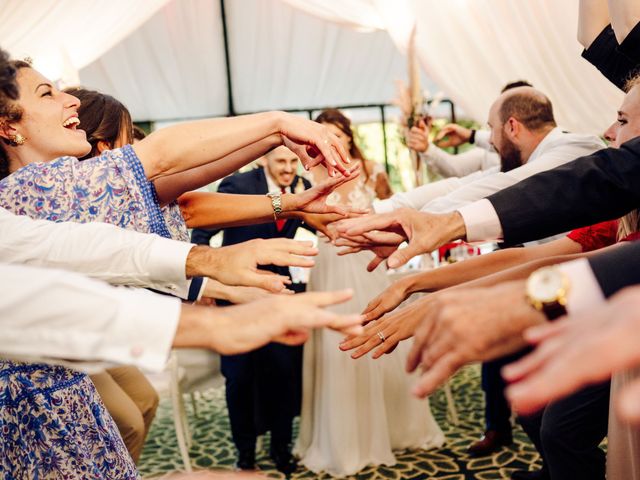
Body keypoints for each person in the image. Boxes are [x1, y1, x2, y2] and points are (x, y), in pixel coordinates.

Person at [0, 59, 350, 478]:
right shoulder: (23, 192)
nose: (69, 97)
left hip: (67, 395)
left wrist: (278, 152)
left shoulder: (47, 189)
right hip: (34, 417)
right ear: (8, 126)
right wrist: (279, 125)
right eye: (47, 93)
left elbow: (162, 193)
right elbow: (163, 162)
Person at [294, 109, 444, 477]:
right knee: (336, 346)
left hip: (367, 264)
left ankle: (393, 427)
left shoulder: (372, 168)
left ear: (347, 136)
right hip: (330, 266)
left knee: (380, 339)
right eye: (323, 135)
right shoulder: (307, 175)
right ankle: (341, 437)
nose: (333, 141)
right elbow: (305, 220)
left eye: (338, 134)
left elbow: (396, 211)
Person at [190, 146, 314, 474]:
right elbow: (202, 233)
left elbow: (319, 228)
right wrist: (205, 280)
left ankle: (281, 449)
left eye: (293, 162)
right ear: (264, 159)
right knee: (239, 378)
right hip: (236, 294)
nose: (288, 169)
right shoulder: (237, 186)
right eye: (281, 162)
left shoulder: (304, 188)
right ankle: (245, 454)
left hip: (281, 295)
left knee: (284, 373)